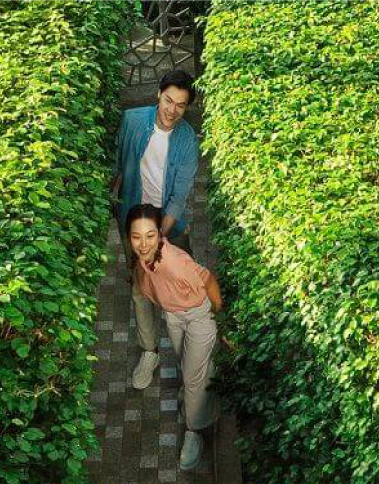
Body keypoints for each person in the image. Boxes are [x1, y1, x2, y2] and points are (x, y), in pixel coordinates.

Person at [113, 70, 200, 394]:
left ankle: (187, 357)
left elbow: (179, 197)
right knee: (140, 290)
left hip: (167, 226)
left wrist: (159, 239)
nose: (171, 110)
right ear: (158, 95)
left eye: (180, 105)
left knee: (179, 293)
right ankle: (149, 352)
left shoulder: (188, 140)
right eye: (168, 100)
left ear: (187, 107)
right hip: (135, 220)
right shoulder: (132, 121)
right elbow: (117, 164)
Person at [125, 203, 223, 470]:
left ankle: (195, 430)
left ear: (160, 234)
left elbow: (208, 280)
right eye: (136, 237)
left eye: (150, 235)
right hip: (174, 315)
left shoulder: (175, 262)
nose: (143, 244)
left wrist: (219, 316)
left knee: (191, 378)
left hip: (198, 315)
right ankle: (202, 393)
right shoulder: (143, 259)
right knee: (186, 365)